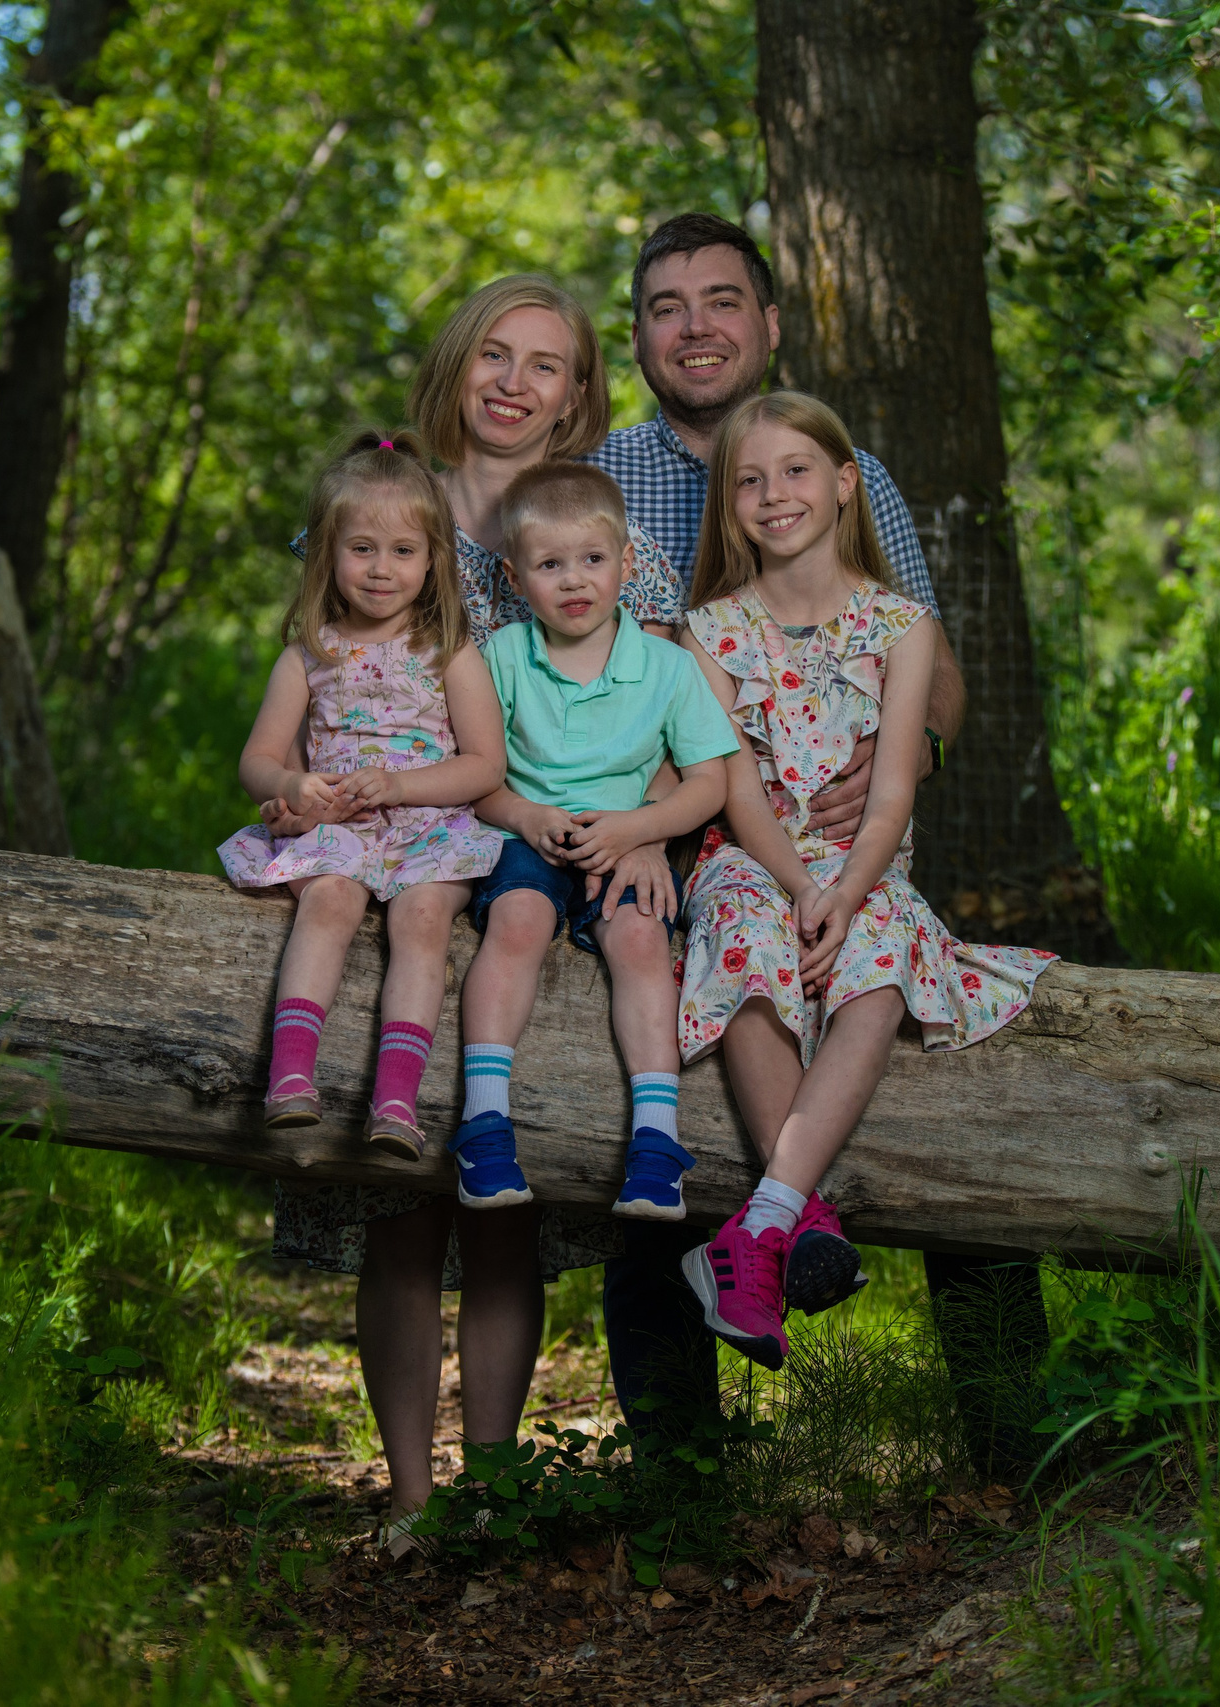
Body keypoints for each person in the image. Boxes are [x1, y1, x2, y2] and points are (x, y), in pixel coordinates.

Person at [672, 392, 1057, 1369]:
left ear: (846, 484)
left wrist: (843, 893)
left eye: (797, 470)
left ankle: (763, 1224)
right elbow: (734, 790)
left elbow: (890, 794)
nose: (774, 494)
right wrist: (799, 885)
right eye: (749, 480)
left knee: (881, 956)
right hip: (752, 859)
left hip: (864, 867)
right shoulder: (709, 632)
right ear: (729, 506)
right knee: (747, 945)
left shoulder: (900, 625)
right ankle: (796, 1225)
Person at [220, 432, 532, 1557]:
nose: (383, 568)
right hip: (344, 831)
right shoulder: (306, 654)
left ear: (434, 558)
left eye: (405, 550)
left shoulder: (451, 648)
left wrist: (400, 781)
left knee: (423, 918)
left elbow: (484, 767)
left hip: (425, 824)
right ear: (329, 555)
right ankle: (293, 1074)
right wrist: (296, 787)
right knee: (329, 900)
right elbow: (259, 759)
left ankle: (396, 1092)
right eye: (363, 548)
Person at [448, 461, 735, 1221]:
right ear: (515, 578)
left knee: (642, 939)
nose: (574, 580)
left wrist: (641, 831)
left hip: (627, 840)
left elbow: (709, 783)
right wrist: (522, 816)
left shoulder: (668, 668)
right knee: (517, 922)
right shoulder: (501, 658)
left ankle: (657, 1140)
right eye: (549, 565)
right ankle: (483, 1122)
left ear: (627, 564)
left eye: (593, 559)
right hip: (528, 834)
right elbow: (477, 776)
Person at [406, 273, 688, 645]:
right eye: (494, 355)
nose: (511, 384)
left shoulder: (614, 547)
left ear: (571, 399)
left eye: (543, 367)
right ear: (456, 366)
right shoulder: (385, 515)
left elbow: (655, 679)